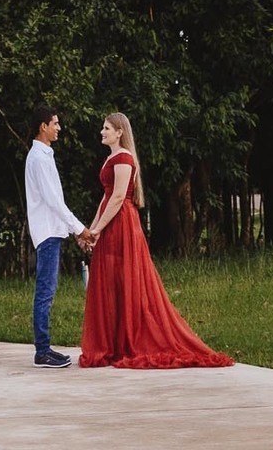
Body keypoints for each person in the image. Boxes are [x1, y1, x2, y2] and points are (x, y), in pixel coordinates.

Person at [79, 111, 233, 369]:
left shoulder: (125, 159)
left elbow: (118, 198)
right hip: (110, 221)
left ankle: (130, 339)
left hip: (121, 224)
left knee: (124, 278)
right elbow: (106, 197)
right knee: (111, 280)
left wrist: (99, 229)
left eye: (107, 128)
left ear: (119, 132)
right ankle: (114, 342)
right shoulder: (112, 158)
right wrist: (91, 230)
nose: (102, 132)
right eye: (103, 128)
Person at [24, 104, 93, 368]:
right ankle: (42, 351)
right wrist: (80, 229)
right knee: (45, 292)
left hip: (53, 230)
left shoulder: (44, 155)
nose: (59, 128)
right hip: (47, 233)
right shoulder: (39, 158)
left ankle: (44, 349)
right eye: (55, 123)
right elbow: (54, 202)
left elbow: (54, 203)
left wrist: (72, 232)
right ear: (43, 126)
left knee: (47, 290)